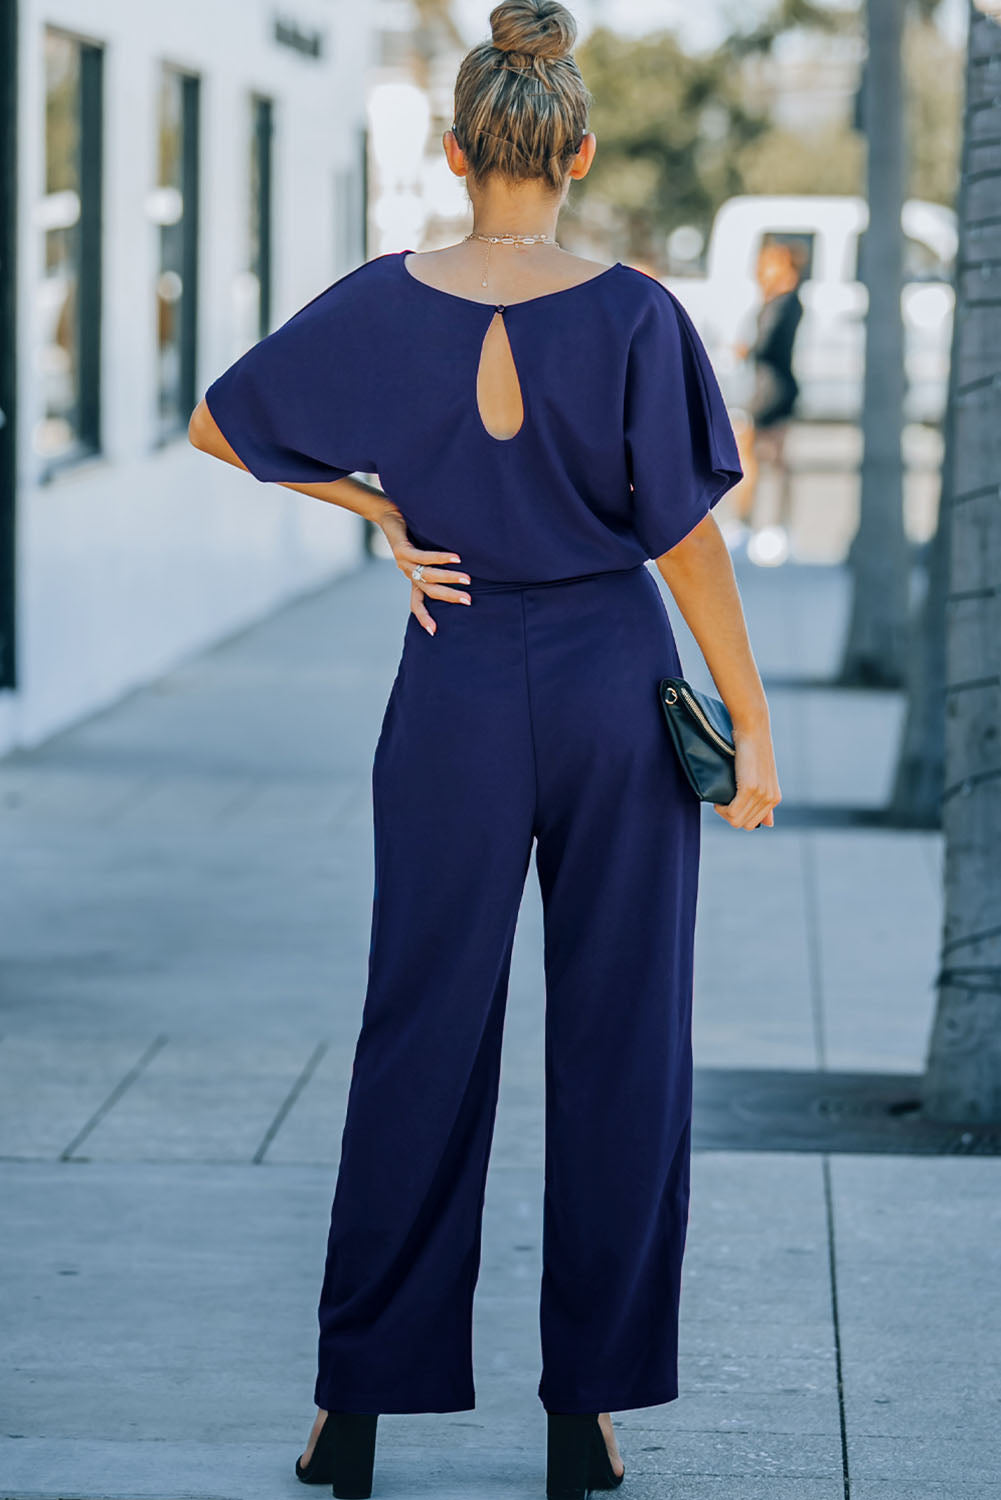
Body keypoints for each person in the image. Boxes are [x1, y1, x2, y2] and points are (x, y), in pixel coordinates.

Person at [188, 3, 781, 1496]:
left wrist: (384, 512)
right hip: (609, 681)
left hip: (450, 684)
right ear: (575, 149)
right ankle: (586, 1414)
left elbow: (218, 426)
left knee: (421, 1035)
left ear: (457, 151)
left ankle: (357, 1409)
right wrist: (750, 723)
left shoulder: (381, 303)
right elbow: (689, 547)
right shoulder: (637, 310)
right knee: (623, 1042)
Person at [727, 240, 805, 560]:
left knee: (756, 457)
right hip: (773, 388)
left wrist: (745, 349)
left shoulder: (784, 303)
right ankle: (773, 525)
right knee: (772, 458)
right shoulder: (778, 300)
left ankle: (753, 524)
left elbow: (766, 344)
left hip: (770, 390)